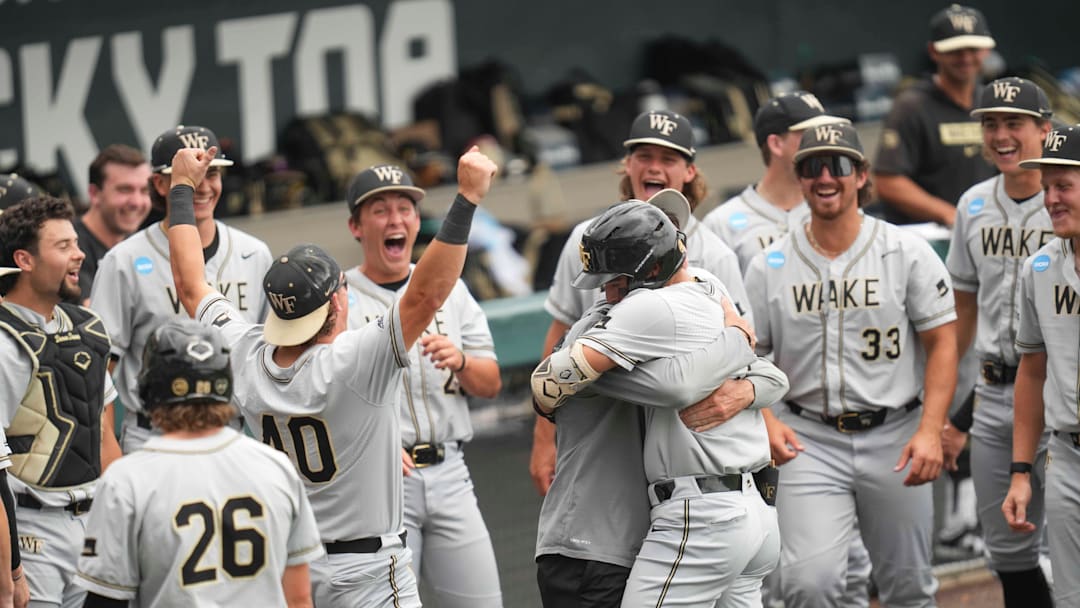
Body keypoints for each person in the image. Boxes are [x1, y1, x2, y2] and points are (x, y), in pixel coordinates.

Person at [164, 144, 497, 607]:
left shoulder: (243, 351)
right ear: (337, 303)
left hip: (295, 568)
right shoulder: (354, 361)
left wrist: (180, 187)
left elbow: (189, 283)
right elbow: (426, 294)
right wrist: (467, 198)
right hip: (369, 571)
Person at [745, 122, 958, 607]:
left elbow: (943, 341)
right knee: (806, 584)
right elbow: (747, 356)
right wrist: (768, 419)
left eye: (838, 165)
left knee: (908, 587)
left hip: (895, 435)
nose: (825, 177)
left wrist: (930, 429)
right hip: (809, 440)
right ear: (798, 177)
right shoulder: (769, 265)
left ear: (861, 175)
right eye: (812, 167)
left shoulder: (905, 251)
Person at [533, 200, 787, 606]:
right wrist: (736, 344)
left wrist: (742, 388)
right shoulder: (689, 299)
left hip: (682, 521)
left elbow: (772, 378)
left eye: (613, 278)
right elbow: (683, 387)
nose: (605, 289)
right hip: (602, 540)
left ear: (651, 268)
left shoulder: (672, 303)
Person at [705, 89, 871, 608]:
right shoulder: (725, 225)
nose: (823, 143)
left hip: (833, 413)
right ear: (777, 143)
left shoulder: (834, 204)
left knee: (854, 566)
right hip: (761, 418)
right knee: (783, 569)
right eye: (807, 132)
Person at [530, 109, 749, 497]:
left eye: (669, 159)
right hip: (607, 431)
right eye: (644, 156)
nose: (655, 168)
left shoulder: (714, 256)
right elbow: (559, 334)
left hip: (682, 439)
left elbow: (748, 354)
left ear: (690, 171)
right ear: (627, 165)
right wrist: (544, 438)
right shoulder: (588, 240)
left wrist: (751, 398)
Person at [75, 319, 323, 608]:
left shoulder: (127, 479)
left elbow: (106, 600)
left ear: (150, 388)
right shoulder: (276, 466)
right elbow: (299, 597)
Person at [342, 165, 503, 607]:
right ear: (356, 226)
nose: (395, 219)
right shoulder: (339, 299)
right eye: (380, 210)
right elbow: (321, 395)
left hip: (451, 471)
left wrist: (463, 361)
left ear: (417, 221)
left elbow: (490, 383)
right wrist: (368, 441)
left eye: (404, 208)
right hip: (382, 483)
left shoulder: (452, 288)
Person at [89, 125, 273, 453]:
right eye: (190, 175)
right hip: (152, 435)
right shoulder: (123, 260)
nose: (202, 187)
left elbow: (270, 355)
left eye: (212, 174)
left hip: (231, 433)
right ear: (160, 184)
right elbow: (99, 371)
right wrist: (107, 452)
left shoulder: (254, 253)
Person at [943, 77, 1055, 607]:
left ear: (1045, 130)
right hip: (991, 395)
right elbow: (962, 313)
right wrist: (947, 410)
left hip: (1059, 393)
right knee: (1009, 553)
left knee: (1067, 546)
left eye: (1015, 123)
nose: (1002, 135)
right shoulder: (972, 204)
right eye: (991, 124)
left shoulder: (1067, 203)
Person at [0, 196, 123, 608]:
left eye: (76, 242)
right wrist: (10, 571)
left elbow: (102, 432)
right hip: (31, 528)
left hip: (94, 525)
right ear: (25, 259)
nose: (79, 254)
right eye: (64, 246)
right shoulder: (5, 340)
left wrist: (126, 518)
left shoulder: (88, 326)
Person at [1004, 124, 1080, 607]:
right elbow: (1032, 370)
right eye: (1047, 187)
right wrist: (1020, 472)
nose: (1050, 199)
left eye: (1064, 186)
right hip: (1068, 457)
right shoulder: (1040, 268)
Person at [874, 3, 997, 227]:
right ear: (934, 51)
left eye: (973, 49)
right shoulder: (911, 106)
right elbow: (886, 181)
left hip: (984, 232)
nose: (966, 57)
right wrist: (948, 214)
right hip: (929, 239)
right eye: (955, 50)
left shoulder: (993, 104)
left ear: (987, 50)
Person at [74, 145, 152, 302]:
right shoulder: (68, 246)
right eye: (125, 190)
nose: (136, 202)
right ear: (94, 194)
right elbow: (93, 316)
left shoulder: (147, 245)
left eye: (144, 190)